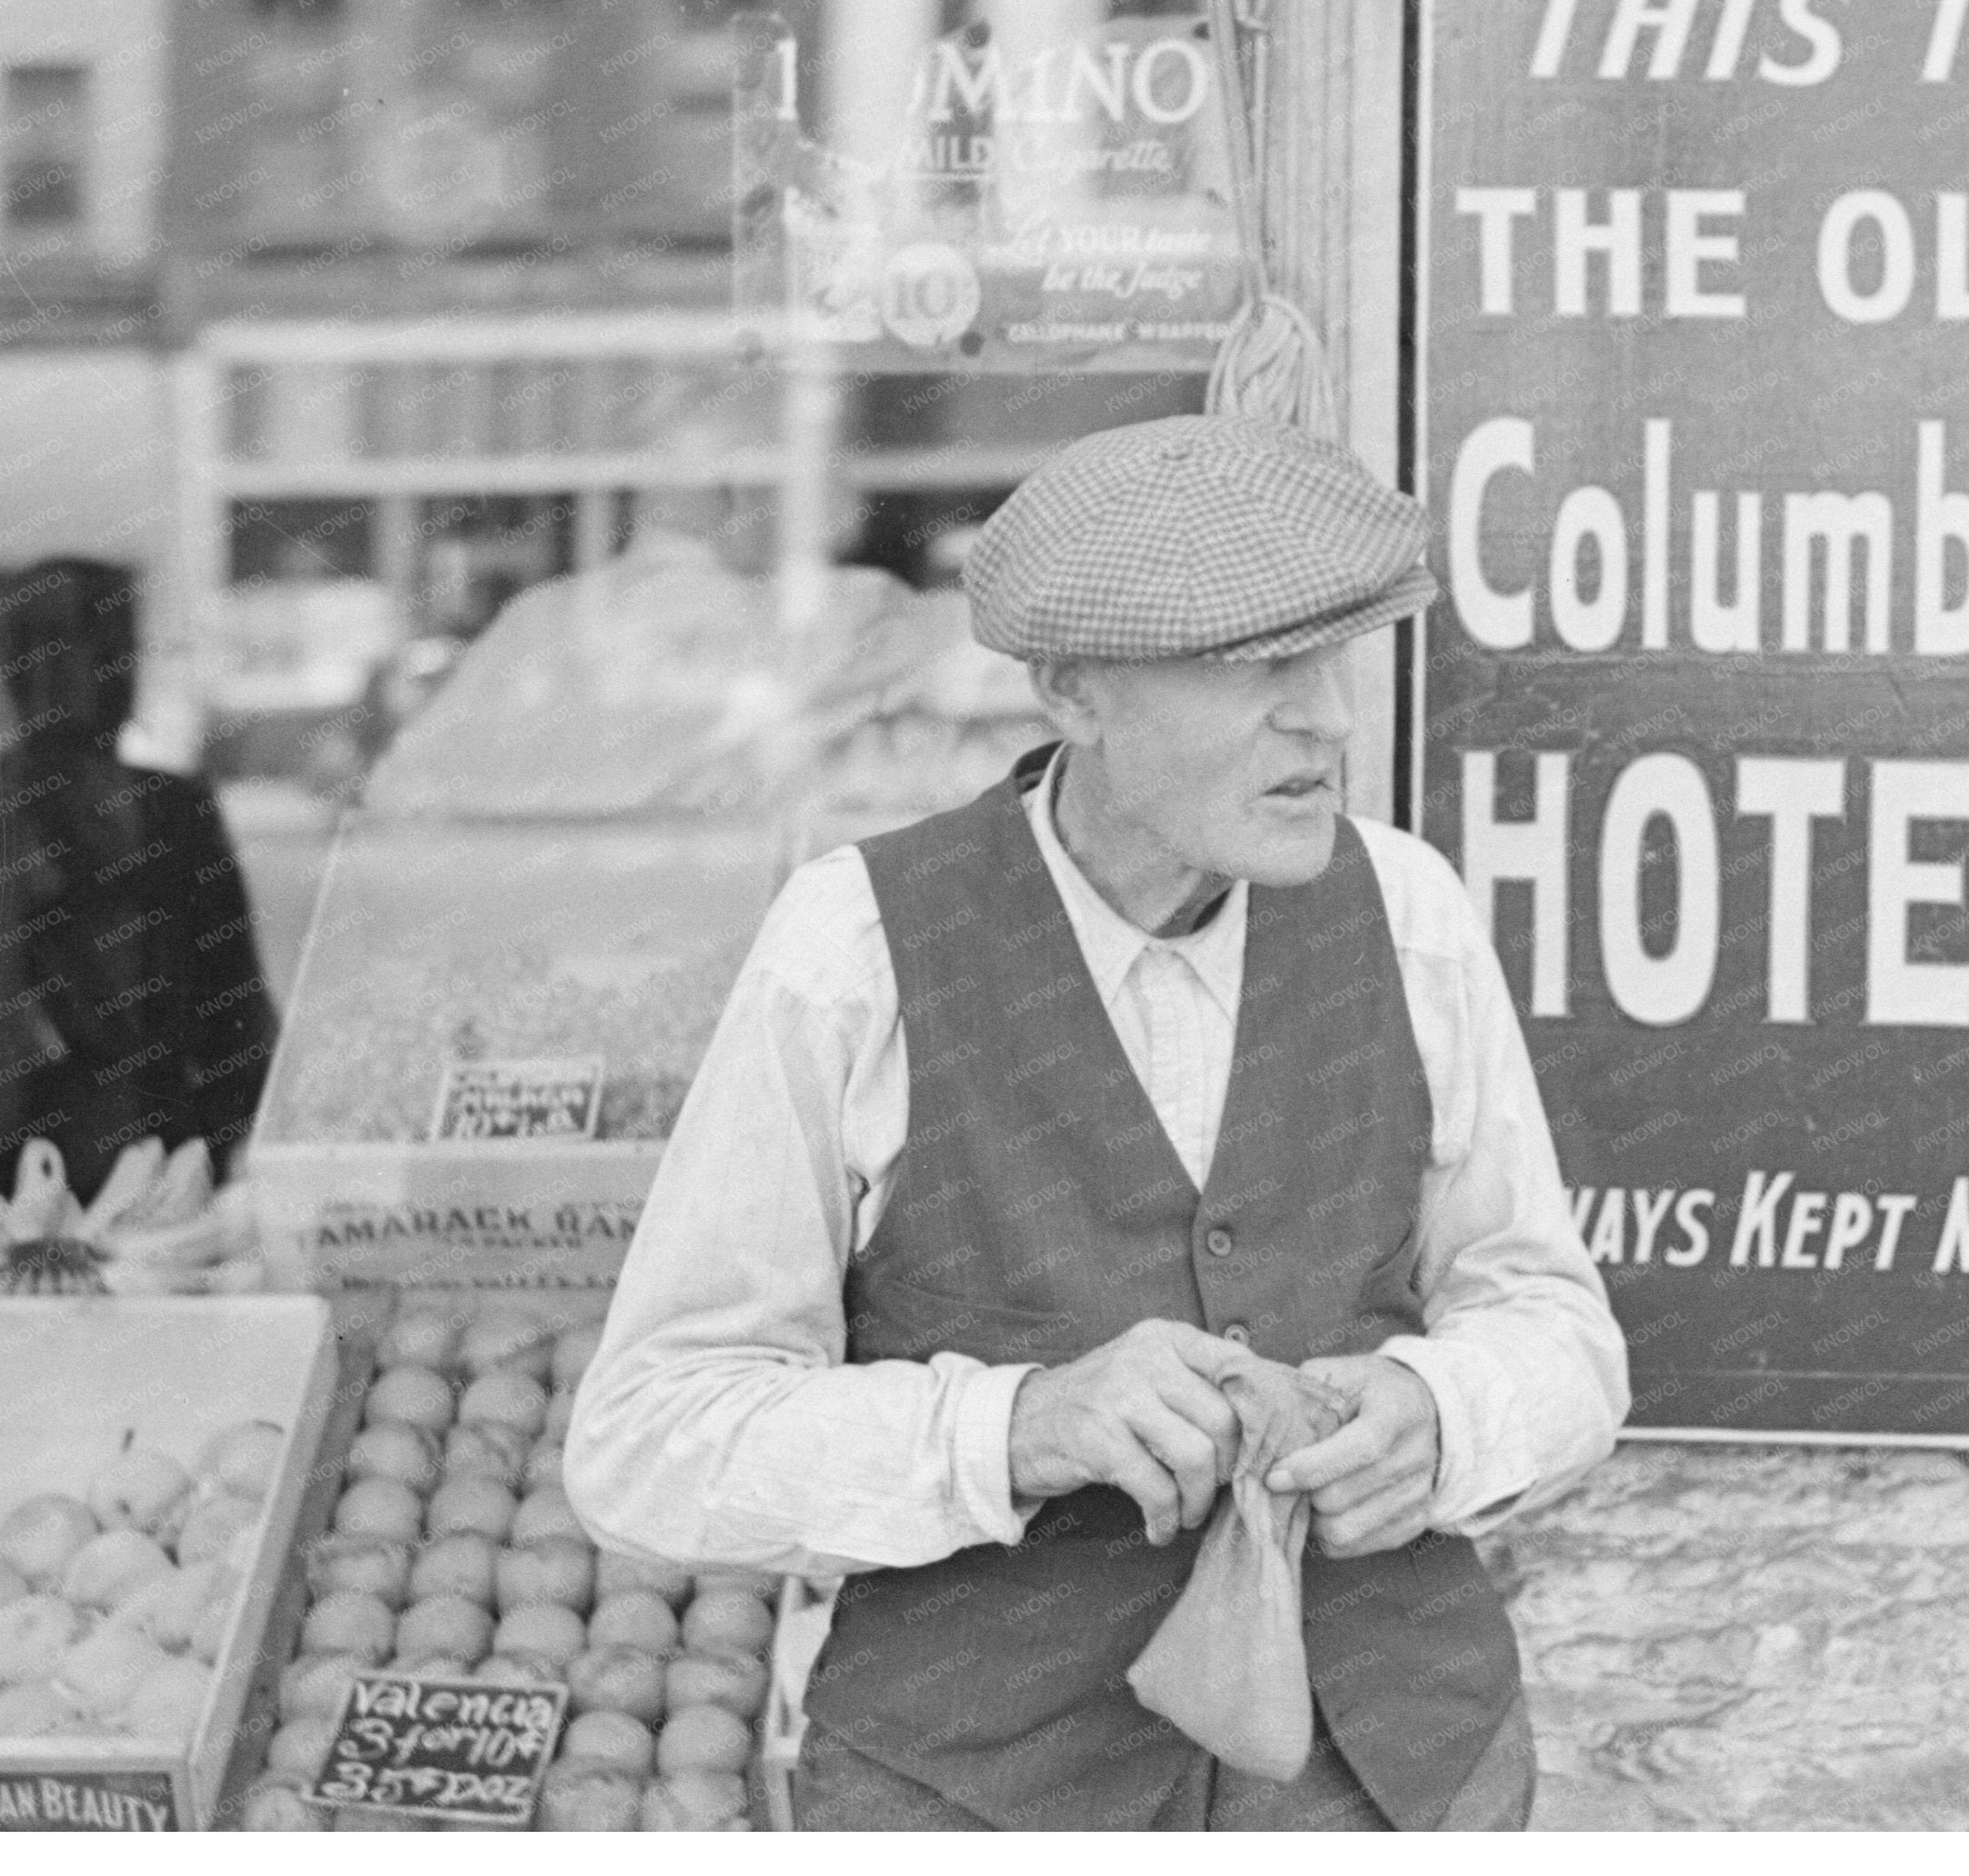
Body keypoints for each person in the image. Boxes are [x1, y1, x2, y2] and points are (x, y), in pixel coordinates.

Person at [569, 415, 1628, 1831]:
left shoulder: (1410, 911)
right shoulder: (858, 946)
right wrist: (1018, 1424)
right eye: (1259, 666)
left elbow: (1557, 1326)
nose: (1327, 717)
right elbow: (652, 1435)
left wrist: (1442, 1412)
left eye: (1334, 657)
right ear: (1072, 694)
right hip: (978, 1790)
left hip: (1392, 1776)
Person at [0, 559, 279, 1209]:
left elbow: (241, 1022)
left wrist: (196, 1158)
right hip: (42, 1207)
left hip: (115, 1206)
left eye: (113, 653)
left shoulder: (173, 813)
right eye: (84, 654)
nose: (99, 678)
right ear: (19, 669)